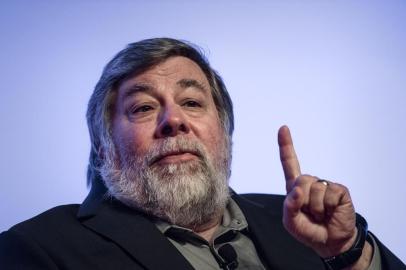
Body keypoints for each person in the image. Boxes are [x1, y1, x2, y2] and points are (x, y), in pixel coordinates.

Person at [0, 38, 404, 270]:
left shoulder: (301, 224)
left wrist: (350, 253)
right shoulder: (35, 249)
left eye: (192, 102)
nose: (173, 120)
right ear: (104, 144)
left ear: (224, 132)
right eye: (143, 108)